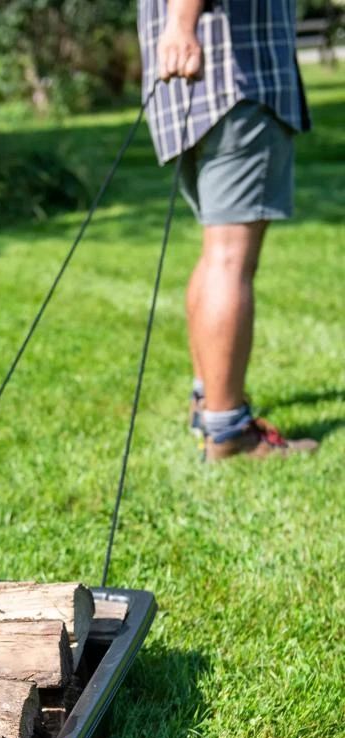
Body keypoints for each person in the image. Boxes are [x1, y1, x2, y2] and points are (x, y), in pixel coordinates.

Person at [138, 0, 319, 460]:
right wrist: (181, 21)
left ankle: (209, 404)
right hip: (235, 79)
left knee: (216, 253)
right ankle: (227, 430)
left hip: (192, 88)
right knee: (230, 258)